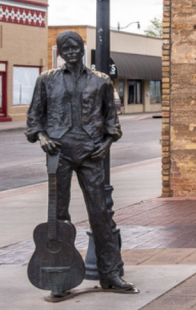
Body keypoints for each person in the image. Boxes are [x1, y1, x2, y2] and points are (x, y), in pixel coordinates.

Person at [26, 31, 135, 295]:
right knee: (58, 217)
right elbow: (34, 117)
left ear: (82, 49)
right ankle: (59, 280)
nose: (71, 51)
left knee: (100, 214)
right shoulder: (46, 80)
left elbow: (112, 118)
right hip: (58, 152)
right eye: (66, 48)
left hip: (91, 152)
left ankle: (111, 274)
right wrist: (41, 137)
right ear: (60, 52)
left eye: (75, 47)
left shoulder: (101, 81)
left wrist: (106, 144)